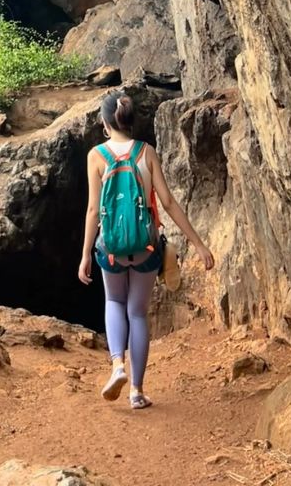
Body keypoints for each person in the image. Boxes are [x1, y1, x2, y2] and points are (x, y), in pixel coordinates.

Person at [78, 91, 215, 409]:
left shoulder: (97, 156)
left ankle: (117, 366)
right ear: (131, 120)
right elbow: (167, 203)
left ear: (104, 121)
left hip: (110, 249)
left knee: (114, 300)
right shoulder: (147, 152)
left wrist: (86, 254)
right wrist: (198, 244)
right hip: (146, 247)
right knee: (137, 312)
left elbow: (93, 211)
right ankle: (137, 392)